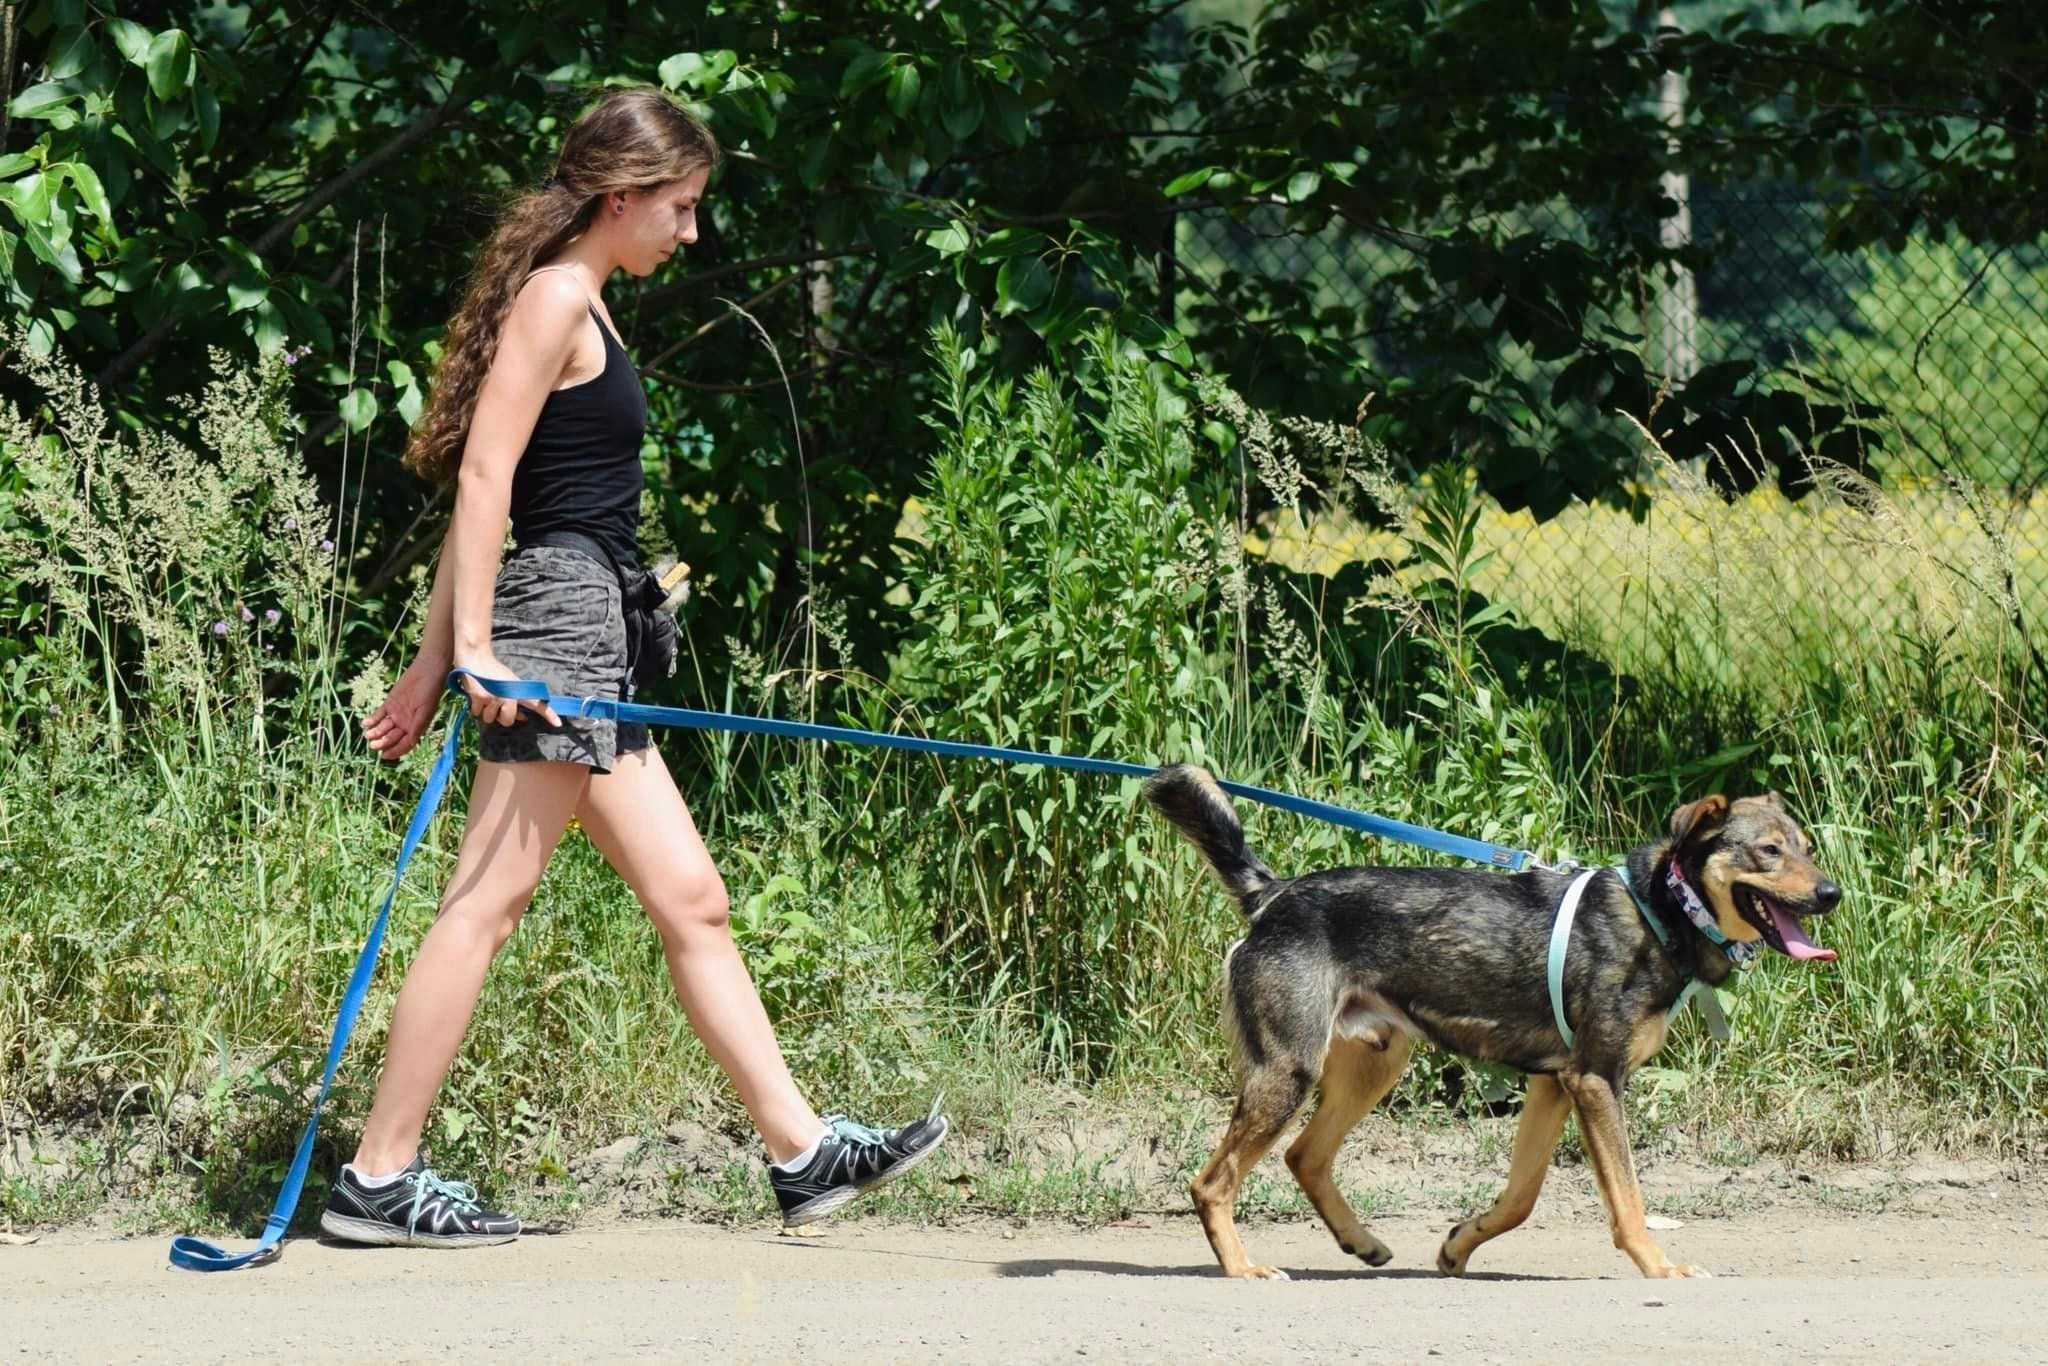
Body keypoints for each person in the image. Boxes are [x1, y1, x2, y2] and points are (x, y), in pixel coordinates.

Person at [321, 87, 947, 1247]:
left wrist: (432, 664)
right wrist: (465, 655)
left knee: (692, 900)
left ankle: (800, 1153)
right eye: (682, 206)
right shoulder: (559, 297)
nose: (691, 231)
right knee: (486, 904)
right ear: (622, 197)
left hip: (589, 621)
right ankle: (376, 1176)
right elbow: (483, 482)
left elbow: (527, 493)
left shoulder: (586, 303)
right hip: (552, 631)